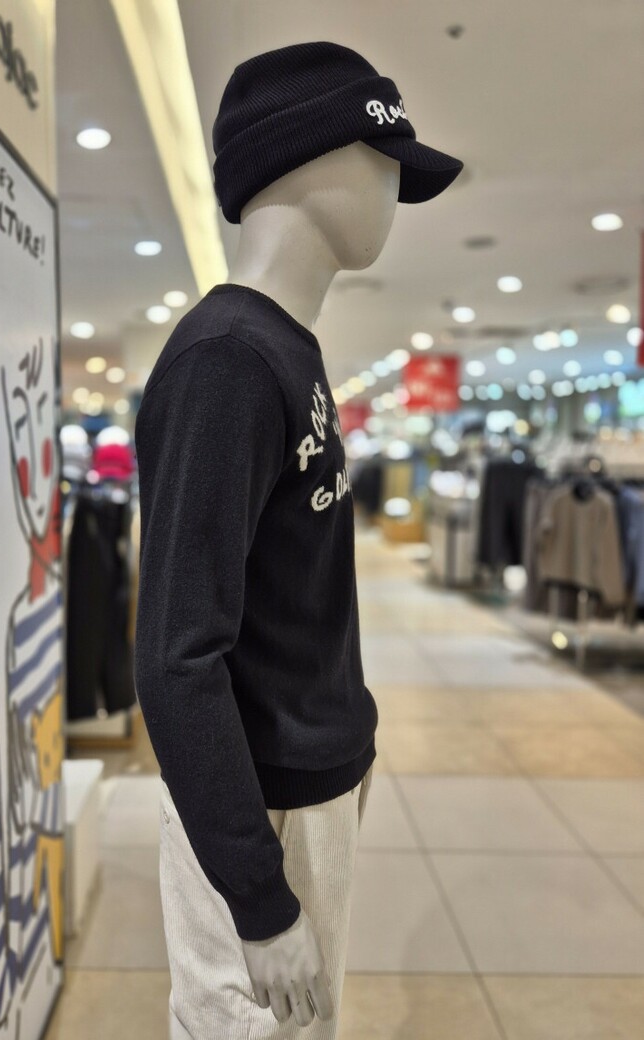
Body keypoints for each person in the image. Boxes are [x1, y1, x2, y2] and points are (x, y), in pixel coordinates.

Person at [134, 41, 463, 1039]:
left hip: (307, 784)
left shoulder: (286, 350)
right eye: (383, 158)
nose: (395, 188)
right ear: (310, 158)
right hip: (260, 805)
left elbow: (300, 590)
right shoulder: (227, 361)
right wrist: (257, 893)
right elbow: (177, 656)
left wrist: (349, 740)